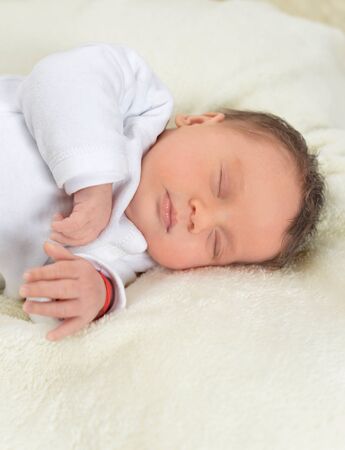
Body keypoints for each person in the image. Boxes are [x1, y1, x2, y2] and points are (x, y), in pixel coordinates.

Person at [0, 43, 325, 341]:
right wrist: (93, 182)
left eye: (216, 243)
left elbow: (42, 302)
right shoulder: (140, 103)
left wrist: (89, 294)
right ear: (199, 121)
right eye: (220, 183)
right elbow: (56, 80)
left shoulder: (125, 255)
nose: (201, 218)